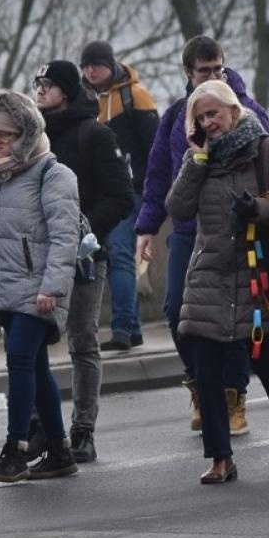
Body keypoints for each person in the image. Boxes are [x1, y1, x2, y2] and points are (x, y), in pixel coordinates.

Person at [166, 80, 269, 483]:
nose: (208, 122)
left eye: (213, 113)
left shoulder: (264, 150)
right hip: (210, 274)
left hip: (258, 274)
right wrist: (196, 159)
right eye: (200, 117)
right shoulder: (199, 158)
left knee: (268, 363)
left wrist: (258, 209)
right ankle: (221, 458)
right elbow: (178, 207)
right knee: (206, 365)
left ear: (233, 111)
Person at [134, 35, 269, 435]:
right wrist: (146, 226)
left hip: (238, 227)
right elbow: (159, 173)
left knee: (235, 317)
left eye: (219, 68)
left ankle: (233, 398)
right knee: (178, 309)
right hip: (189, 229)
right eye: (205, 71)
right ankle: (201, 386)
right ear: (188, 74)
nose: (215, 76)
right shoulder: (177, 116)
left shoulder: (247, 111)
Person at [0, 90, 82, 483]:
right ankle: (59, 449)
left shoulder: (52, 173)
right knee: (35, 365)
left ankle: (17, 448)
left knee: (20, 359)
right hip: (5, 285)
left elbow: (64, 237)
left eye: (7, 134)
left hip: (39, 287)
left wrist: (52, 288)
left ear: (25, 132)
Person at [33, 61, 135, 462]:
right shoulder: (31, 137)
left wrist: (84, 228)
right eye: (38, 84)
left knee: (82, 341)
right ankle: (40, 426)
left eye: (49, 85)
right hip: (37, 257)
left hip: (84, 257)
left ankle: (83, 430)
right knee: (30, 342)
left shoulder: (93, 133)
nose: (41, 91)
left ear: (68, 90)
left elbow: (122, 196)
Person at [80, 39, 160, 352]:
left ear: (111, 64)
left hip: (133, 189)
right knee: (115, 256)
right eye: (86, 66)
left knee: (119, 254)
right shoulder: (85, 99)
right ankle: (132, 328)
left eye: (97, 64)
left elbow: (154, 145)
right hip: (104, 193)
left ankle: (123, 329)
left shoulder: (134, 96)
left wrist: (151, 188)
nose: (91, 70)